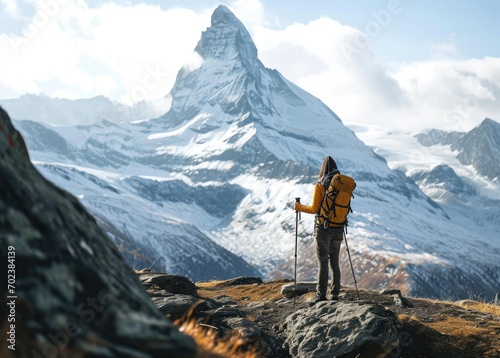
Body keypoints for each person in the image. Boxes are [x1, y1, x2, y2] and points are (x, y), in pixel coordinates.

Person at [294, 155, 344, 305]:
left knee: (323, 262)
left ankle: (321, 295)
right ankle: (335, 294)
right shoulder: (342, 186)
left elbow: (314, 208)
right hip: (339, 228)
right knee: (334, 261)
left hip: (323, 229)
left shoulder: (320, 186)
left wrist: (298, 207)